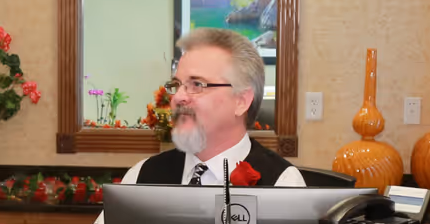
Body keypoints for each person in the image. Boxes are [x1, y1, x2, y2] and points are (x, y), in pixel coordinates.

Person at [118, 27, 305, 186]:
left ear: (241, 101)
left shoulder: (284, 184)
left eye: (197, 85)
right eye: (176, 85)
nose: (179, 97)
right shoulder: (140, 177)